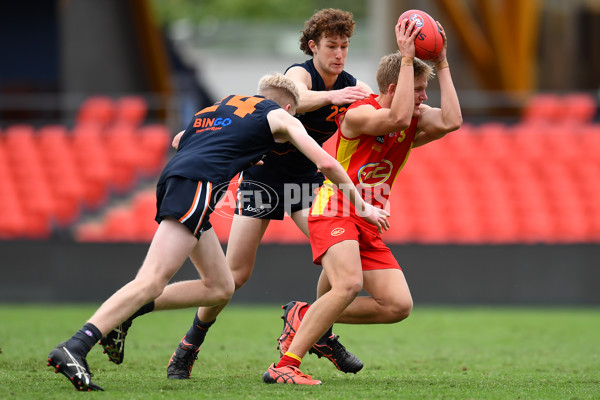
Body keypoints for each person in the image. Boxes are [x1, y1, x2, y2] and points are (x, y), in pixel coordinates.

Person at [46, 72, 389, 392]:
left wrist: (241, 153)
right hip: (196, 186)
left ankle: (125, 317)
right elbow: (326, 163)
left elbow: (181, 139)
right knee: (151, 281)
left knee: (220, 285)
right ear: (289, 107)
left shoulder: (220, 105)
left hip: (178, 180)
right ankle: (76, 345)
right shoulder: (282, 115)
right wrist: (363, 205)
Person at [98, 8, 373, 380]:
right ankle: (187, 344)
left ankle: (320, 331)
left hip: (305, 185)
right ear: (313, 46)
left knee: (337, 257)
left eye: (344, 46)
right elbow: (298, 102)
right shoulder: (299, 74)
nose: (339, 54)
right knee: (234, 276)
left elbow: (367, 116)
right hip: (262, 179)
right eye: (331, 46)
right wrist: (337, 95)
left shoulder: (350, 82)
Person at [262, 17, 462, 385]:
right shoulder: (358, 113)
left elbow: (452, 120)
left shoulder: (413, 120)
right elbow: (396, 115)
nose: (423, 98)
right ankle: (285, 366)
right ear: (394, 86)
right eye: (418, 89)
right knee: (348, 285)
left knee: (398, 305)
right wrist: (405, 59)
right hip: (334, 207)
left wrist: (442, 62)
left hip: (367, 220)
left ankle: (305, 314)